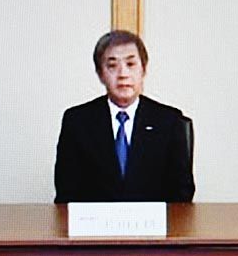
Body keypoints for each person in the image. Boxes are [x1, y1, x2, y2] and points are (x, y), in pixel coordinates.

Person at [54, 30, 194, 203]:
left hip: (152, 220)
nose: (123, 74)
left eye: (131, 64)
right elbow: (66, 194)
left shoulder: (169, 121)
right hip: (93, 220)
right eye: (112, 66)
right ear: (100, 74)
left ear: (143, 70)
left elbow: (182, 194)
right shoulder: (77, 122)